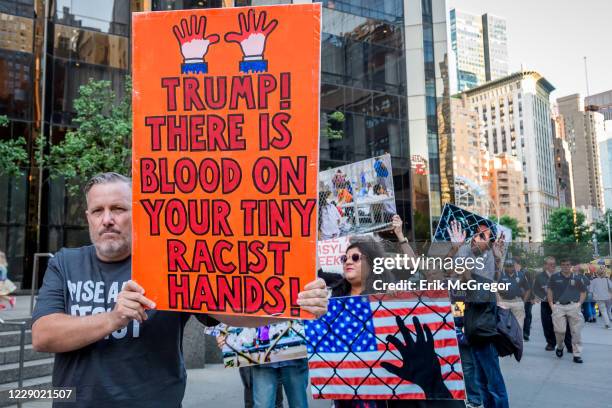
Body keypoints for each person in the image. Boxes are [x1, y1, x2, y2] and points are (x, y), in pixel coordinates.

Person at [31, 172, 329, 407]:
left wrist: (295, 303)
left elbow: (231, 311)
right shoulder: (65, 262)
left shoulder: (171, 262)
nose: (107, 219)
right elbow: (43, 335)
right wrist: (114, 318)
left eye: (118, 209)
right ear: (88, 218)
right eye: (98, 210)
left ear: (138, 213)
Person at [447, 220, 509, 408]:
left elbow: (469, 278)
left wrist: (460, 249)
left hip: (484, 331)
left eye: (483, 235)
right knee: (482, 382)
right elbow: (449, 272)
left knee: (494, 384)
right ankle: (475, 400)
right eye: (476, 233)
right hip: (471, 328)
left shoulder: (486, 264)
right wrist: (457, 249)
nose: (476, 238)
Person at [547, 258, 587, 363]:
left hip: (573, 306)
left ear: (571, 266)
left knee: (576, 332)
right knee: (560, 331)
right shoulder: (554, 277)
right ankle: (560, 346)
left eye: (568, 265)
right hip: (559, 307)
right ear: (561, 266)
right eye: (563, 265)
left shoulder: (577, 278)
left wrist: (579, 304)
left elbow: (583, 292)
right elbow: (550, 291)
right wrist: (552, 305)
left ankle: (577, 354)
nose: (566, 266)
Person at [532, 256, 572, 352]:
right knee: (547, 324)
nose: (553, 266)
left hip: (560, 304)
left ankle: (569, 345)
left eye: (554, 264)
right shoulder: (539, 276)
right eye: (550, 264)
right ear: (545, 265)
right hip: (546, 304)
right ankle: (551, 343)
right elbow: (535, 289)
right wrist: (543, 297)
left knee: (565, 324)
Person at [496, 259, 530, 330]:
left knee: (519, 325)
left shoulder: (521, 275)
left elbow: (528, 289)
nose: (509, 268)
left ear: (514, 266)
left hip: (517, 301)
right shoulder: (500, 275)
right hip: (504, 301)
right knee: (503, 325)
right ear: (505, 267)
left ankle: (518, 340)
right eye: (507, 266)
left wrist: (523, 302)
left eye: (511, 266)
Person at [589, 263, 612, 329]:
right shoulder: (607, 280)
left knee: (603, 311)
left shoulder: (594, 281)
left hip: (599, 298)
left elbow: (591, 290)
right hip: (608, 297)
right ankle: (609, 319)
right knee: (608, 310)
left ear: (597, 274)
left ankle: (607, 324)